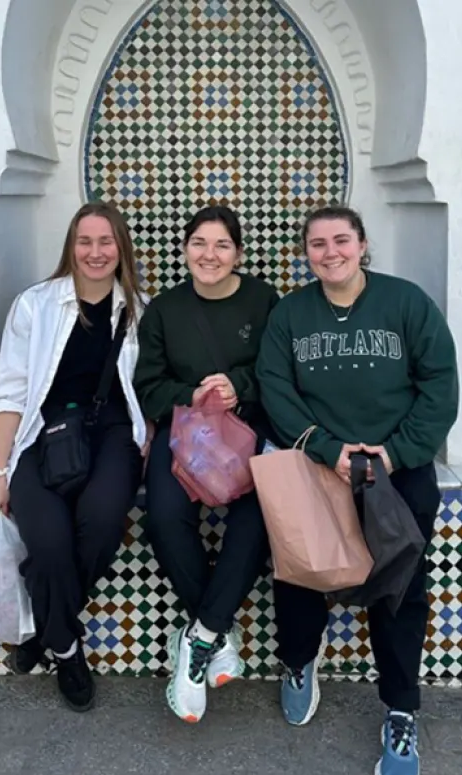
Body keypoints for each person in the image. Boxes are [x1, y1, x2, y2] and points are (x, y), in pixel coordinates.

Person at [255, 204, 459, 775]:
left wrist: (394, 454)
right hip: (319, 465)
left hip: (397, 468)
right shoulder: (291, 314)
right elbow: (275, 387)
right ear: (306, 253)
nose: (330, 253)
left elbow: (439, 384)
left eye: (341, 240)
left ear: (363, 244)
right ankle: (299, 662)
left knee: (400, 588)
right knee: (299, 573)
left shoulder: (406, 301)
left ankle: (399, 709)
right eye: (317, 245)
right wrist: (326, 448)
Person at [0, 201, 152, 712]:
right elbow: (10, 391)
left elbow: (154, 384)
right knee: (50, 542)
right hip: (44, 435)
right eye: (86, 242)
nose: (96, 253)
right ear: (70, 246)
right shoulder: (35, 305)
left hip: (115, 437)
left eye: (106, 242)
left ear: (121, 246)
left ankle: (47, 632)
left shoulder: (140, 309)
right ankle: (64, 643)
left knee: (101, 522)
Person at [132, 205, 281, 724]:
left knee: (258, 515)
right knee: (164, 515)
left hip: (249, 432)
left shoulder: (264, 301)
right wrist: (190, 393)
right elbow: (147, 385)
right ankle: (214, 633)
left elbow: (281, 371)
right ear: (185, 249)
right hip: (186, 437)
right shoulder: (165, 311)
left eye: (221, 245)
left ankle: (196, 638)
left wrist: (239, 386)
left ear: (237, 252)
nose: (209, 255)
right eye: (199, 243)